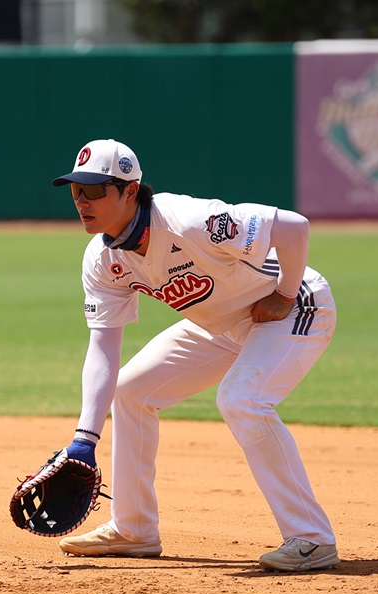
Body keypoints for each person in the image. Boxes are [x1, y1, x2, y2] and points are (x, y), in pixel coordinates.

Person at [51, 139, 339, 572]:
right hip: (221, 325)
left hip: (294, 306)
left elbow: (294, 226)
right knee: (130, 391)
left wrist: (283, 293)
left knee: (242, 400)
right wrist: (83, 439)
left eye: (93, 191)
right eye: (76, 191)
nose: (81, 201)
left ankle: (312, 539)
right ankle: (134, 529)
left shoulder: (189, 221)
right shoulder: (102, 259)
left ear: (130, 191)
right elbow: (103, 348)